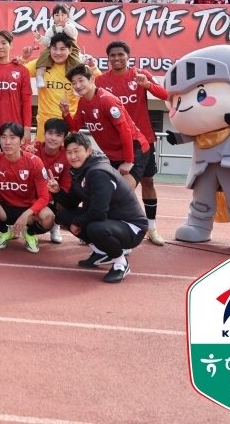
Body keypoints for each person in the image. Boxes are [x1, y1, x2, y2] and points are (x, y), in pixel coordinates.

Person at [96, 41, 168, 246]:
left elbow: (165, 95)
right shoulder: (101, 80)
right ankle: (110, 226)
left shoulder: (139, 74)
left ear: (128, 57)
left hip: (143, 140)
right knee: (114, 186)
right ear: (107, 58)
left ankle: (151, 228)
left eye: (121, 55)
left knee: (148, 182)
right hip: (116, 145)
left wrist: (147, 84)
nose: (117, 58)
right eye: (113, 55)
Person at [59, 133, 148, 283]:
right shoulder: (80, 171)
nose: (73, 156)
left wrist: (78, 222)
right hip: (110, 220)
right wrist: (56, 192)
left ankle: (121, 263)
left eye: (77, 151)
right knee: (64, 216)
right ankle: (101, 253)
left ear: (88, 151)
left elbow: (98, 212)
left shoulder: (98, 172)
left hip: (131, 227)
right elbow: (70, 203)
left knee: (95, 227)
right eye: (69, 152)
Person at [63, 65, 150, 191]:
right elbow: (74, 128)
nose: (77, 86)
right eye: (74, 83)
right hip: (113, 155)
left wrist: (129, 161)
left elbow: (125, 131)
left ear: (92, 79)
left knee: (122, 191)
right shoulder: (82, 102)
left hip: (135, 149)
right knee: (107, 192)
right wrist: (66, 114)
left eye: (81, 80)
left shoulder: (107, 100)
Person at [0, 122, 54, 253]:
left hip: (29, 210)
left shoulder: (35, 162)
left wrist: (26, 214)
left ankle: (29, 232)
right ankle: (7, 231)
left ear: (22, 140)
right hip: (6, 209)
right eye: (3, 137)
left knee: (48, 217)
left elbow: (44, 197)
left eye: (12, 137)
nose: (7, 142)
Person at [30, 118, 72, 244]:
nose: (53, 138)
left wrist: (54, 192)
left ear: (64, 138)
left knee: (67, 202)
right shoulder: (33, 149)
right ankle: (14, 225)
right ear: (44, 134)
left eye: (58, 135)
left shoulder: (67, 156)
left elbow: (65, 188)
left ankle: (55, 224)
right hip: (31, 194)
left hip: (52, 196)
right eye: (50, 133)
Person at [32, 5, 81, 89]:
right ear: (53, 17)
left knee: (77, 63)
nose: (60, 18)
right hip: (53, 48)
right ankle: (40, 77)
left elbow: (72, 34)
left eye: (63, 15)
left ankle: (76, 85)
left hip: (71, 49)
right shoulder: (51, 29)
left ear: (67, 17)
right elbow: (48, 42)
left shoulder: (71, 27)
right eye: (57, 15)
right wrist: (39, 37)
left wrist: (64, 26)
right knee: (43, 57)